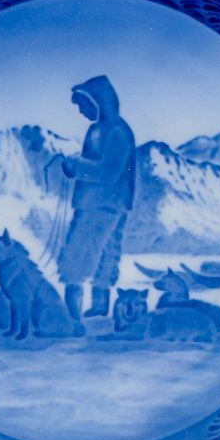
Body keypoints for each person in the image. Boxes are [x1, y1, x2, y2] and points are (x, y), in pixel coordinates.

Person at [55, 75, 136, 325]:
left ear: (98, 102)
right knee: (105, 255)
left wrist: (75, 165)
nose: (81, 111)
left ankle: (72, 316)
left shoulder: (116, 132)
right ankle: (99, 311)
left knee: (77, 257)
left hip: (99, 205)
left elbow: (109, 172)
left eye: (83, 105)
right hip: (108, 203)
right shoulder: (101, 129)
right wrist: (75, 167)